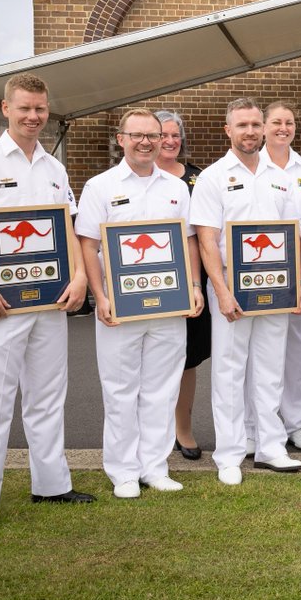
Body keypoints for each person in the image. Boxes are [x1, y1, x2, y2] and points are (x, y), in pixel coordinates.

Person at [0, 73, 94, 532]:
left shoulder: (54, 168)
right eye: (25, 108)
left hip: (49, 304)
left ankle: (51, 484)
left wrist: (81, 276)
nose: (34, 116)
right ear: (5, 108)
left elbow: (67, 230)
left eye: (40, 109)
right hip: (0, 305)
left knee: (48, 397)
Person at [76, 108, 205, 498]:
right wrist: (99, 297)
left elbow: (188, 241)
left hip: (168, 304)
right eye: (138, 135)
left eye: (153, 135)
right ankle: (123, 471)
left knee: (162, 388)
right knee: (120, 389)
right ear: (122, 139)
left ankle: (154, 466)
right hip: (120, 307)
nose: (146, 142)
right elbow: (88, 245)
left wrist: (195, 285)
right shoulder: (100, 186)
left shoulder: (176, 188)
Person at [189, 98, 301, 485]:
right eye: (242, 125)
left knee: (271, 367)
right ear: (228, 130)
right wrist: (221, 291)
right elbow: (207, 241)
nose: (251, 132)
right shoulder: (212, 178)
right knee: (229, 369)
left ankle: (271, 445)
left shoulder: (281, 177)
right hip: (231, 289)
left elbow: (293, 235)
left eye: (256, 125)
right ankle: (229, 453)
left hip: (275, 288)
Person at [262, 101, 301, 455]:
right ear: (265, 126)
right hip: (267, 273)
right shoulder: (254, 168)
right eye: (276, 122)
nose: (283, 128)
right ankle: (259, 424)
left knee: (299, 352)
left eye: (289, 123)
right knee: (265, 354)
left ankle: (295, 423)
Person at [155, 110, 210, 460]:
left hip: (191, 281)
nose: (170, 141)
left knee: (187, 360)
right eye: (163, 135)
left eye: (175, 135)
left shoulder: (198, 179)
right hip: (149, 282)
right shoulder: (133, 178)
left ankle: (183, 430)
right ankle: (151, 434)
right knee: (152, 360)